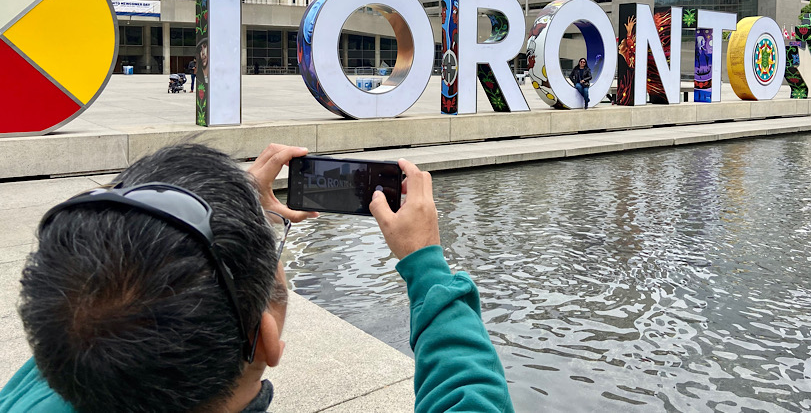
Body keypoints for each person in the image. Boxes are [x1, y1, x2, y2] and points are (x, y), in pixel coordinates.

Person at [0, 143, 513, 412]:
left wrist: (219, 210)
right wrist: (426, 266)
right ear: (264, 337)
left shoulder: (63, 364)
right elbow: (471, 396)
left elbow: (94, 295)